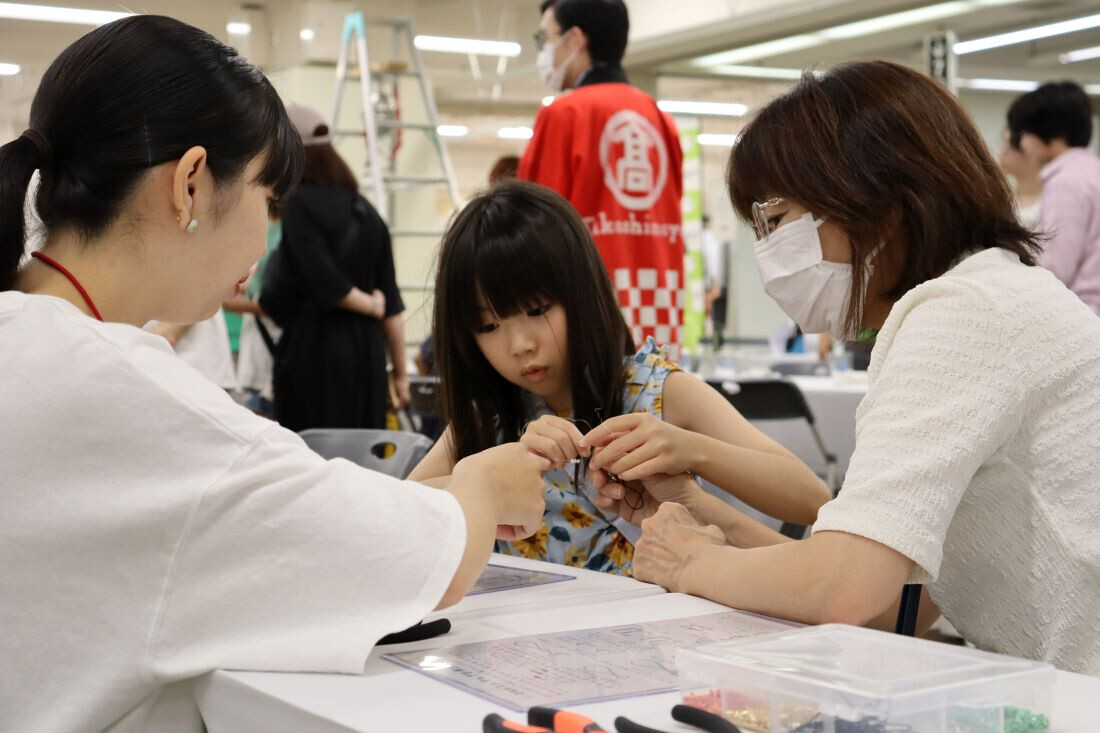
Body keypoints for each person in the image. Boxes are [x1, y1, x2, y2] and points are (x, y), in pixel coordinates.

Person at [0, 16, 547, 731]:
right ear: (191, 182)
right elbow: (422, 566)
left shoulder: (33, 339)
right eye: (268, 195)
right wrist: (483, 483)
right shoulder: (127, 393)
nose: (270, 230)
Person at [592, 61, 1100, 675]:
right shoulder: (989, 297)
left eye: (776, 222)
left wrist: (689, 564)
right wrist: (697, 513)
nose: (768, 254)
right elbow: (896, 606)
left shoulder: (962, 315)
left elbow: (845, 588)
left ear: (874, 202)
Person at [408, 181, 830, 575]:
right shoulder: (492, 414)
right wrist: (485, 477)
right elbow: (405, 509)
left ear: (584, 293)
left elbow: (811, 499)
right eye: (488, 326)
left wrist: (691, 450)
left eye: (537, 311)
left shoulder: (653, 389)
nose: (519, 344)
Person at [519, 0, 684, 350]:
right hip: (660, 315)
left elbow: (530, 232)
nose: (544, 50)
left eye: (546, 37)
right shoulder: (660, 118)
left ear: (576, 38)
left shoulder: (563, 114)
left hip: (584, 316)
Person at [260, 102, 408, 432]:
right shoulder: (367, 211)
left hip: (316, 354)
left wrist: (368, 304)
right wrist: (400, 375)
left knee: (315, 457)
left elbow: (327, 282)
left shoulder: (298, 205)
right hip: (368, 357)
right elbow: (393, 310)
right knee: (363, 458)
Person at [1008, 82, 1100, 314]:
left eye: (1027, 133)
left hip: (1084, 312)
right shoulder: (1091, 170)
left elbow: (1056, 267)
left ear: (1053, 132)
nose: (1024, 144)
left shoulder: (1066, 182)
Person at [998, 128, 1043, 228]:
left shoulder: (1051, 199)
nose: (1002, 152)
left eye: (1010, 146)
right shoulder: (1000, 196)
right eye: (1003, 144)